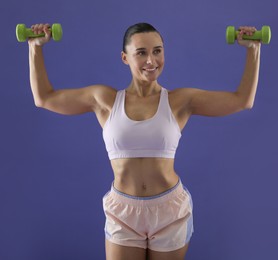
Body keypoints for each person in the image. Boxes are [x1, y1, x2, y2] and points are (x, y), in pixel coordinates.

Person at [28, 22, 262, 260]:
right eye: (141, 53)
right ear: (125, 57)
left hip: (169, 211)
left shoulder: (180, 101)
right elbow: (44, 98)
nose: (151, 61)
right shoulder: (104, 100)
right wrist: (35, 47)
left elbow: (242, 100)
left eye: (157, 51)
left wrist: (253, 49)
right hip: (123, 211)